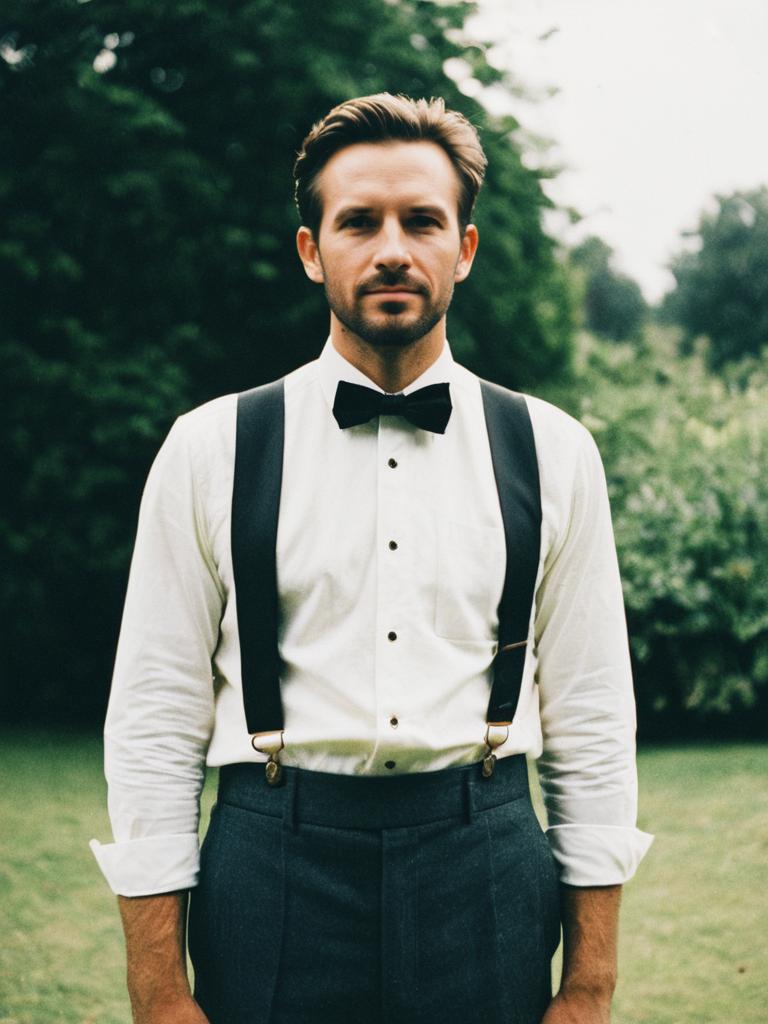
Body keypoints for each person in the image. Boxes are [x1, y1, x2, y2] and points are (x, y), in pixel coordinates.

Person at [91, 93, 652, 1024]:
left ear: (463, 249)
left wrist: (590, 984)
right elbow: (153, 720)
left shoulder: (554, 451)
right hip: (271, 866)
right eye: (359, 221)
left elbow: (594, 721)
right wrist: (157, 991)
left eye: (423, 220)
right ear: (313, 250)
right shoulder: (208, 449)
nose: (393, 247)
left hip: (487, 864)